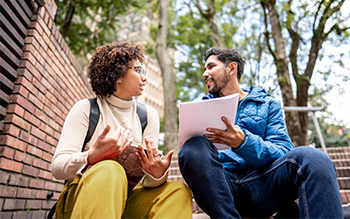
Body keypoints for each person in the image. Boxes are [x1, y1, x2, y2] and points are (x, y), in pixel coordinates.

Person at [178, 47, 344, 218]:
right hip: (221, 190)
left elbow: (284, 151)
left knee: (314, 157)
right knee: (191, 148)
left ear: (231, 68)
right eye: (205, 68)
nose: (205, 73)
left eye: (211, 66)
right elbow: (192, 160)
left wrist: (244, 143)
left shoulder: (268, 105)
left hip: (261, 184)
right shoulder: (199, 110)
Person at [52, 42, 192, 219]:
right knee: (110, 169)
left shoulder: (148, 116)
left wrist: (156, 174)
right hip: (79, 201)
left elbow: (147, 183)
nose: (145, 78)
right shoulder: (86, 109)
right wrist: (91, 156)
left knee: (177, 192)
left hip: (124, 202)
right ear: (118, 74)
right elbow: (57, 167)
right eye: (138, 70)